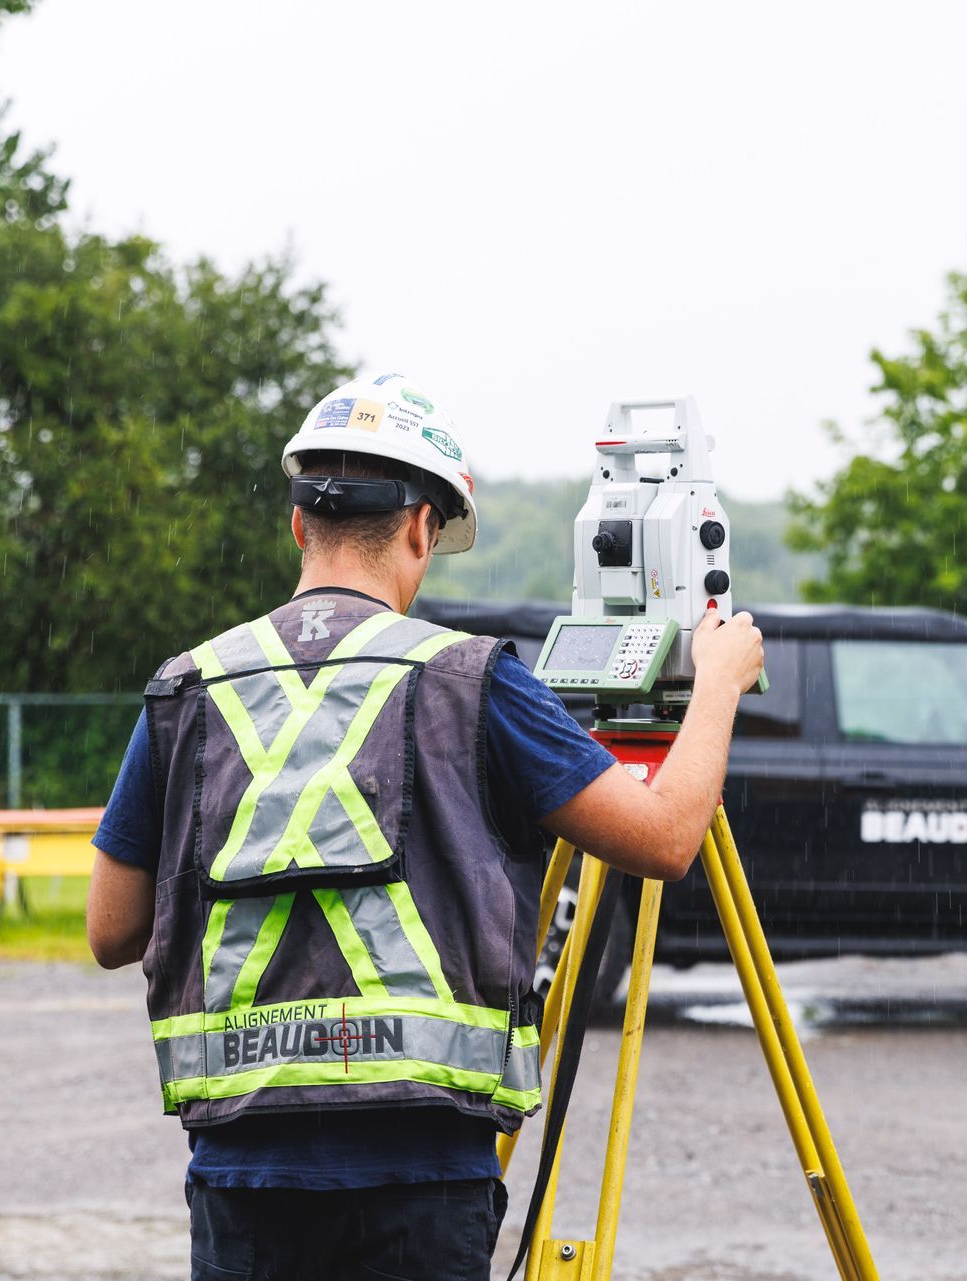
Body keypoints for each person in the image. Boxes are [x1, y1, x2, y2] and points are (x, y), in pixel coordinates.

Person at [85, 373, 764, 1281]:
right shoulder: (470, 679)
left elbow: (111, 928)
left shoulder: (188, 688)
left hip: (243, 1181)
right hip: (419, 1184)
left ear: (299, 524)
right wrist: (715, 680)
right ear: (419, 526)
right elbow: (667, 836)